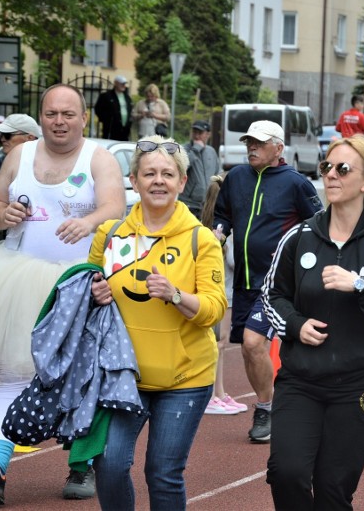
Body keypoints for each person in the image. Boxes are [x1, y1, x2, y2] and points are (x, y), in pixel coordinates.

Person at [0, 83, 126, 505]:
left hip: (76, 284)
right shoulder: (20, 155)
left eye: (68, 114)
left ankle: (82, 467)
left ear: (83, 118)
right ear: (42, 117)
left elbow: (116, 206)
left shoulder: (98, 158)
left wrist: (89, 223)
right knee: (13, 374)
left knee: (80, 377)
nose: (59, 121)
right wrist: (4, 213)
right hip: (17, 279)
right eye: (51, 113)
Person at [263, 135, 364, 511]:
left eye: (343, 168)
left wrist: (362, 284)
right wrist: (295, 325)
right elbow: (271, 296)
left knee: (332, 489)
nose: (331, 175)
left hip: (359, 384)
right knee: (287, 473)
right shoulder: (299, 237)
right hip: (301, 380)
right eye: (326, 168)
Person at [86, 134, 227, 509]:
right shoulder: (110, 235)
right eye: (149, 173)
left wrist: (176, 296)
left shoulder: (201, 240)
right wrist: (93, 296)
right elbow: (85, 295)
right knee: (109, 464)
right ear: (134, 180)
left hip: (185, 377)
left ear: (182, 182)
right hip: (123, 375)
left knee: (162, 473)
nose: (158, 181)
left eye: (168, 173)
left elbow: (215, 309)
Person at [213, 120, 323, 444]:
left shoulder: (296, 183)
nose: (251, 148)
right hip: (244, 279)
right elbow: (223, 215)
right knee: (249, 351)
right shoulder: (235, 178)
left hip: (276, 282)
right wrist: (218, 233)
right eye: (249, 142)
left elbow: (318, 226)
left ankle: (265, 408)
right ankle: (272, 404)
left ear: (278, 148)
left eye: (259, 143)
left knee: (252, 343)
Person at [200, 173, 248, 416]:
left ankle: (218, 392)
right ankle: (212, 394)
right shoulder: (221, 231)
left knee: (219, 344)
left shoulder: (207, 227)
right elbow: (233, 262)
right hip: (224, 293)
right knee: (219, 343)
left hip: (218, 292)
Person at [0, 114, 41, 236]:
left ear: (30, 138)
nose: (2, 139)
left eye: (8, 135)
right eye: (0, 135)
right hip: (7, 245)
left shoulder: (49, 163)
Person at [178, 120, 220, 218]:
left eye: (200, 133)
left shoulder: (211, 151)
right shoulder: (184, 149)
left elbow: (217, 172)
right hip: (189, 203)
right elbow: (182, 166)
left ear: (208, 134)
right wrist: (196, 149)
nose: (196, 136)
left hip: (207, 204)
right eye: (194, 132)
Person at [94, 75, 133, 141]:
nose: (124, 86)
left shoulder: (127, 97)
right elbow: (98, 109)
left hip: (125, 130)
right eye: (122, 84)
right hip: (111, 129)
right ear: (115, 83)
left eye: (125, 84)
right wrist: (106, 120)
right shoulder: (106, 96)